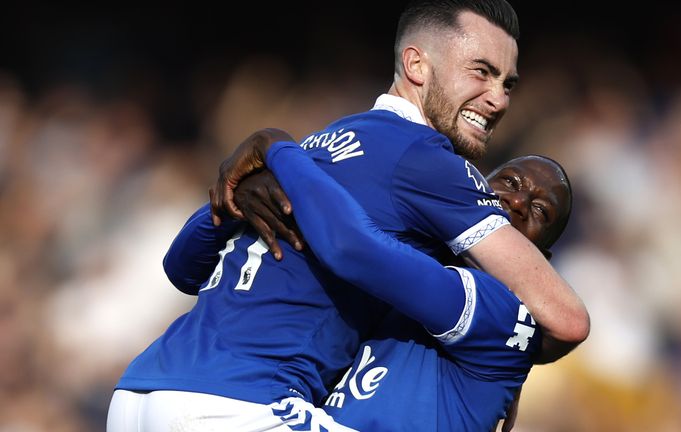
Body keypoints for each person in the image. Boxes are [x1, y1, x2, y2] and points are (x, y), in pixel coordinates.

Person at [108, 0, 588, 430]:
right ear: (417, 65)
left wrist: (271, 157)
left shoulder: (323, 144)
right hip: (239, 403)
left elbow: (182, 267)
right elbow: (566, 319)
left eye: (507, 83)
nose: (500, 98)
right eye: (481, 72)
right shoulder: (430, 162)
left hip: (141, 393)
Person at [236, 141, 574, 431]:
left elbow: (352, 246)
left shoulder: (500, 314)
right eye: (510, 182)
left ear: (541, 258)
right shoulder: (412, 266)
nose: (517, 203)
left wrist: (277, 150)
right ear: (476, 187)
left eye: (541, 212)